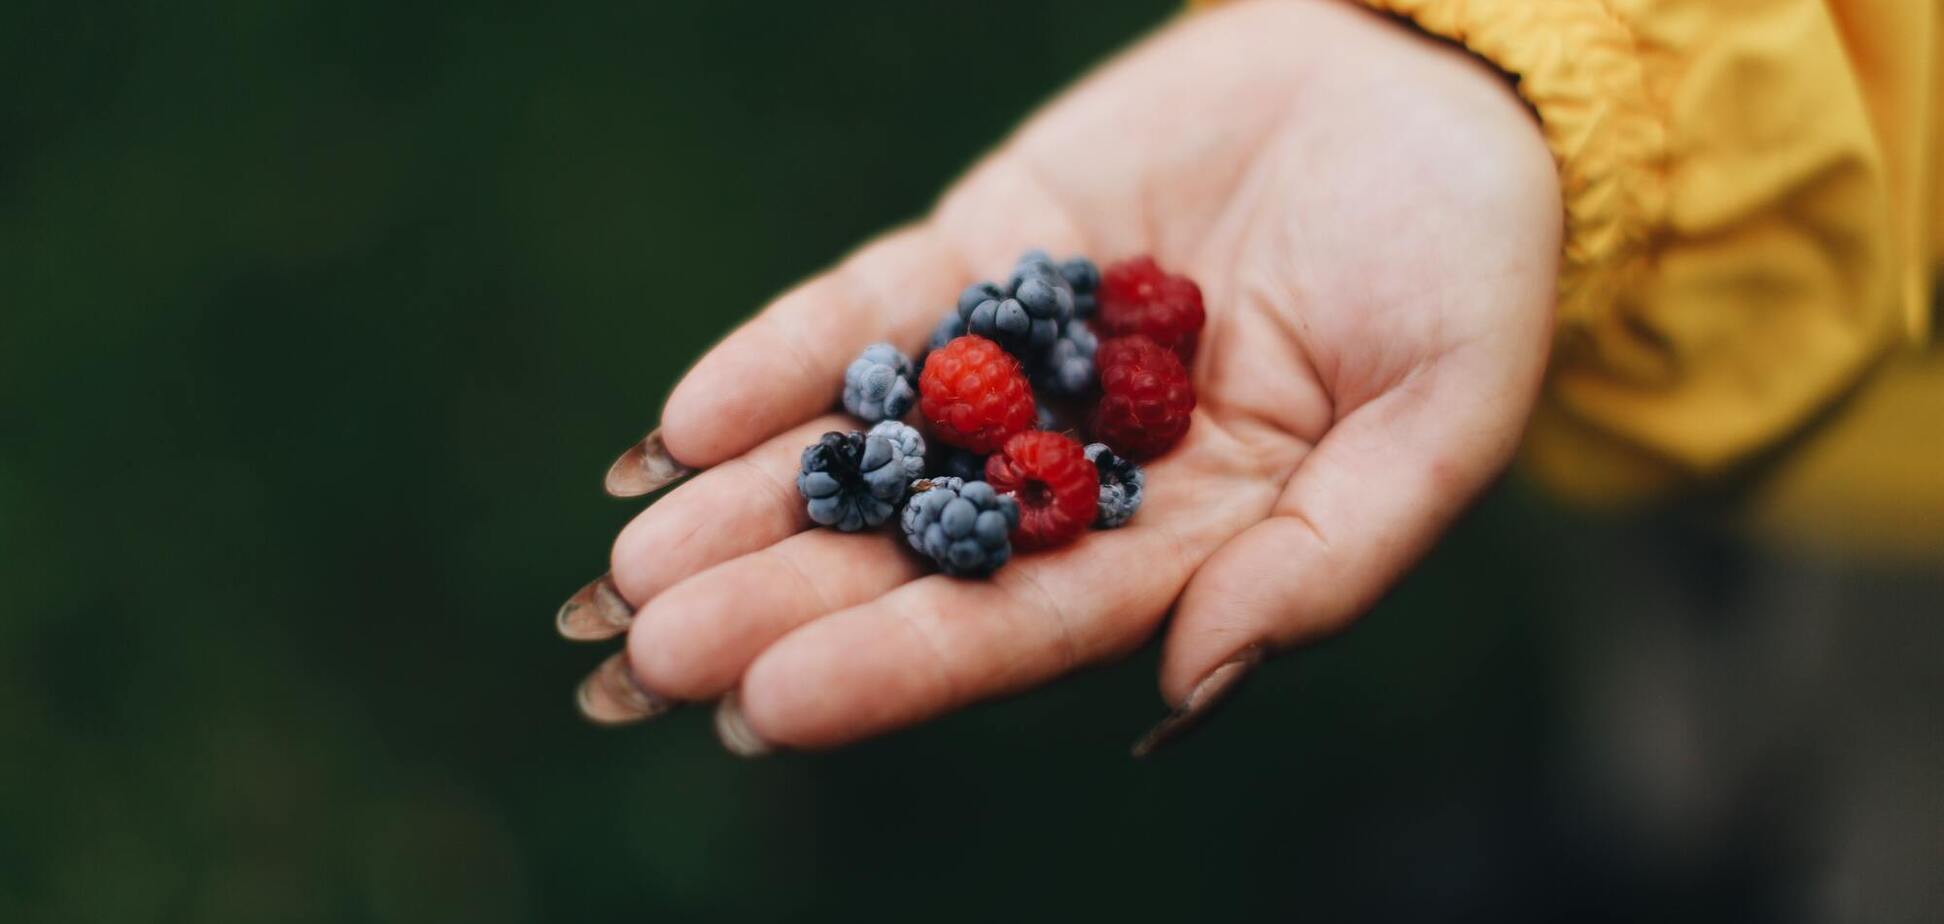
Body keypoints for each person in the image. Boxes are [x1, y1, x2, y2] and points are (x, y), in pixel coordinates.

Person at [559, 0, 1943, 762]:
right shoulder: (1018, 403)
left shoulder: (1058, 408)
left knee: (1884, 723)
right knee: (1659, 619)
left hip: (1911, 463)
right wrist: (1506, 48)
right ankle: (1653, 808)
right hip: (1667, 319)